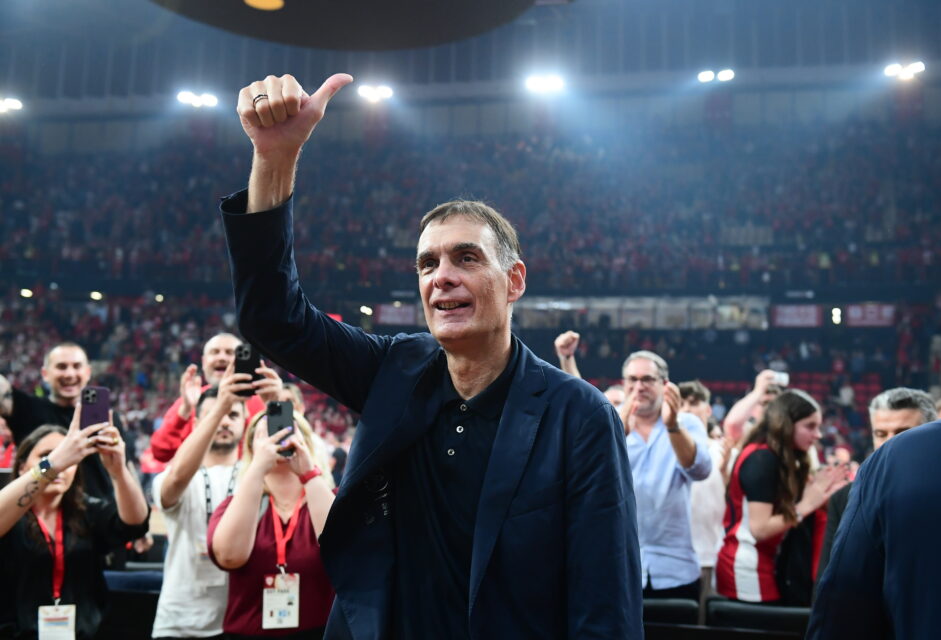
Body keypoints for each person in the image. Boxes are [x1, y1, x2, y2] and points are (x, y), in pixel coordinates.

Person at [220, 72, 642, 638]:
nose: (441, 276)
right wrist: (275, 159)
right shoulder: (391, 371)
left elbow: (605, 604)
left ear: (514, 280)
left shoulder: (580, 416)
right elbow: (273, 319)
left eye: (466, 258)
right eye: (427, 264)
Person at [807, 413, 941, 639]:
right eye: (880, 433)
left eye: (901, 431)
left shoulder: (889, 462)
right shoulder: (872, 476)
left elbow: (845, 597)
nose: (889, 439)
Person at [0, 408, 149, 638]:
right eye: (46, 455)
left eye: (67, 459)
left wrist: (118, 470)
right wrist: (52, 464)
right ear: (22, 467)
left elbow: (135, 523)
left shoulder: (87, 510)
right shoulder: (10, 513)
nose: (60, 467)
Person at [151, 367, 259, 639]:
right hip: (180, 622)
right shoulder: (173, 476)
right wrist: (221, 406)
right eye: (215, 416)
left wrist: (274, 402)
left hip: (242, 621)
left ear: (245, 422)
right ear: (198, 423)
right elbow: (176, 480)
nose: (224, 422)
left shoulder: (258, 477)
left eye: (233, 415)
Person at [208, 409, 336, 638]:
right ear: (251, 449)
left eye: (286, 431)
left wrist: (308, 473)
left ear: (306, 442)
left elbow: (345, 548)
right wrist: (257, 468)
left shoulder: (328, 498)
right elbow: (229, 557)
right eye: (265, 434)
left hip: (319, 632)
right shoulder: (235, 506)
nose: (276, 438)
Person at [716, 390, 848, 605]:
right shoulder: (763, 458)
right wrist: (807, 504)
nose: (818, 435)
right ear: (786, 424)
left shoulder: (776, 456)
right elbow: (760, 529)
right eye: (810, 426)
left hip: (764, 564)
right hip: (747, 567)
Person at [815, 387, 936, 580]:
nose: (889, 443)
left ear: (931, 434)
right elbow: (830, 579)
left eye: (903, 432)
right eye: (880, 434)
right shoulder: (844, 499)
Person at [619, 352, 712, 601]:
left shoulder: (687, 423)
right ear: (624, 383)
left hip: (676, 566)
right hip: (619, 565)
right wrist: (617, 433)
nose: (639, 386)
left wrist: (673, 426)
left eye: (648, 379)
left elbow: (701, 470)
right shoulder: (610, 421)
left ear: (665, 384)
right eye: (633, 379)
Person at [0, 342, 128, 502]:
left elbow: (126, 468)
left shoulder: (108, 420)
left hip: (101, 512)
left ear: (88, 372)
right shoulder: (27, 409)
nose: (69, 374)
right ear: (45, 373)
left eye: (77, 366)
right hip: (39, 510)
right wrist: (50, 464)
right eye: (61, 367)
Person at [150, 333, 266, 463]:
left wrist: (275, 402)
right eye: (215, 352)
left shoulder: (261, 402)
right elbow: (160, 452)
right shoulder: (190, 402)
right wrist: (185, 411)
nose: (222, 357)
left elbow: (281, 449)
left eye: (229, 352)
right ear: (204, 362)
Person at [680, 380, 731, 610]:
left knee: (701, 620)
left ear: (708, 410)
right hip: (669, 555)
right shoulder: (661, 447)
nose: (687, 409)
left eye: (694, 403)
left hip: (709, 552)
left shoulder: (723, 450)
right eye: (682, 404)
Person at [722, 370, 784, 442]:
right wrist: (758, 391)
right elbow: (733, 424)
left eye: (773, 404)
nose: (769, 407)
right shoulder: (748, 431)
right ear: (753, 408)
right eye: (764, 403)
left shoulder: (786, 431)